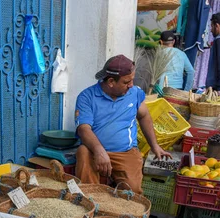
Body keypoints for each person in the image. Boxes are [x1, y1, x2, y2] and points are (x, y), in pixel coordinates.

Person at [74, 55, 172, 194]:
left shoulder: (134, 93)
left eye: (132, 80)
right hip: (93, 151)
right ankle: (91, 203)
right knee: (83, 152)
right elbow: (84, 129)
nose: (131, 85)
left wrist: (154, 145)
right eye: (127, 82)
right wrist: (99, 151)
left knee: (133, 193)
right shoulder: (87, 97)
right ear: (111, 82)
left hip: (125, 151)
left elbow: (144, 116)